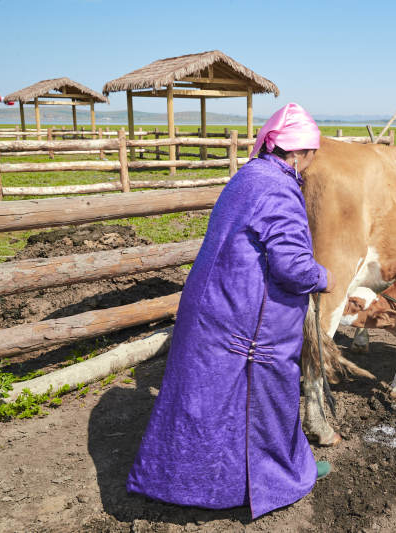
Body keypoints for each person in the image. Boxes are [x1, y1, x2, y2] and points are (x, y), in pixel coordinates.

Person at [127, 103, 332, 518]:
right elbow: (292, 267)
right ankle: (276, 479)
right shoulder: (280, 188)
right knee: (266, 399)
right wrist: (324, 277)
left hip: (212, 307)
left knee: (208, 402)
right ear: (295, 153)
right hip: (247, 320)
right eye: (310, 154)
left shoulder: (249, 175)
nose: (311, 163)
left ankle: (183, 480)